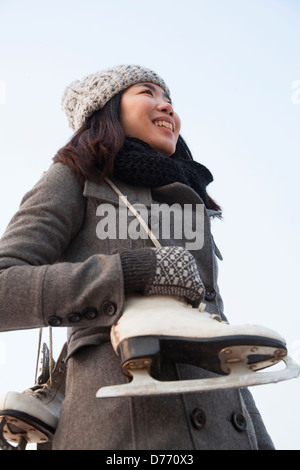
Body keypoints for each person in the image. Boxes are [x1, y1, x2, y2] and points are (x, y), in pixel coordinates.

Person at [0, 65, 285, 450]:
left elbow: (217, 334)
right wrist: (131, 272)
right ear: (108, 109)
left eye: (170, 100)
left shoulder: (187, 197)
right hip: (122, 428)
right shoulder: (74, 177)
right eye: (148, 93)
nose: (167, 107)